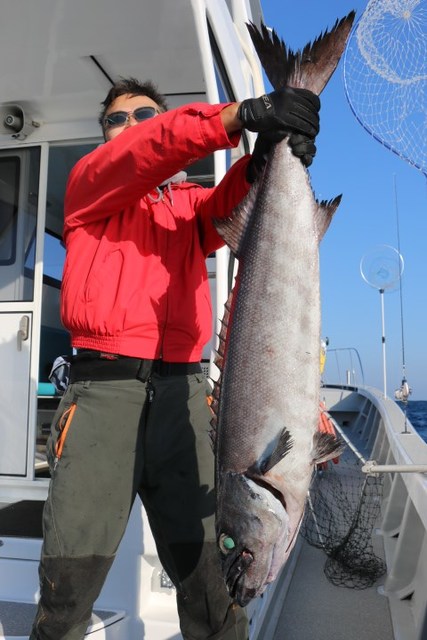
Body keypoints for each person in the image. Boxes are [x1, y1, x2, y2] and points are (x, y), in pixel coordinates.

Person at [30, 77, 320, 640]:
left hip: (185, 400)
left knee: (213, 585)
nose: (131, 125)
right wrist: (242, 114)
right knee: (67, 588)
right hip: (101, 398)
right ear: (105, 135)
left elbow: (232, 206)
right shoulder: (89, 187)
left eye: (145, 113)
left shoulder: (188, 209)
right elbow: (146, 151)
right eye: (118, 118)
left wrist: (266, 157)